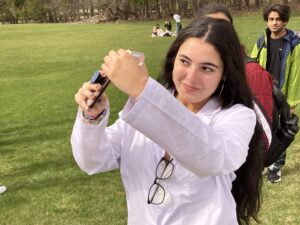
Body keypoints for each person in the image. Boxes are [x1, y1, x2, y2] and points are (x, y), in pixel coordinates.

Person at [71, 17, 263, 225]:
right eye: (184, 61)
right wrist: (91, 117)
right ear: (173, 60)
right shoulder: (144, 108)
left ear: (224, 73)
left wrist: (142, 91)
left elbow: (215, 158)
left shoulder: (237, 116)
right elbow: (93, 160)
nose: (191, 77)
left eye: (207, 68)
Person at [251, 3, 300, 183]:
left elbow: (296, 74)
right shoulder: (262, 40)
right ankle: (262, 163)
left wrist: (292, 101)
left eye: (278, 19)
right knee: (261, 130)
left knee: (279, 130)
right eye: (271, 19)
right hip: (262, 92)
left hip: (282, 95)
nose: (274, 23)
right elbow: (252, 64)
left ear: (285, 21)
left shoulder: (294, 44)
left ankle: (276, 167)